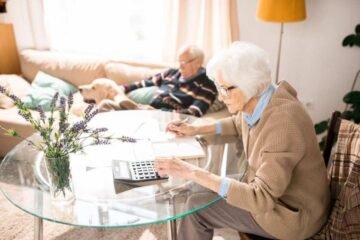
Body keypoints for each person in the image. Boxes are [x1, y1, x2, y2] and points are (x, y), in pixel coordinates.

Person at [155, 42, 331, 239]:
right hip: (279, 199)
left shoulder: (282, 123)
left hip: (292, 216)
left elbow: (260, 198)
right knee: (202, 191)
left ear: (247, 85)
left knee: (196, 207)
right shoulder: (263, 99)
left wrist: (191, 171)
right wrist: (195, 129)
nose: (221, 98)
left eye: (224, 90)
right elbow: (238, 124)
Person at [121, 45, 217, 117]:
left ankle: (121, 105)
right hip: (148, 111)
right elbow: (144, 83)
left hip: (165, 119)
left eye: (183, 62)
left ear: (198, 63)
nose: (180, 66)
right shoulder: (172, 73)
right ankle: (119, 101)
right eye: (179, 61)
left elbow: (194, 112)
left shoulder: (206, 84)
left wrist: (157, 112)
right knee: (108, 99)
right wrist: (123, 88)